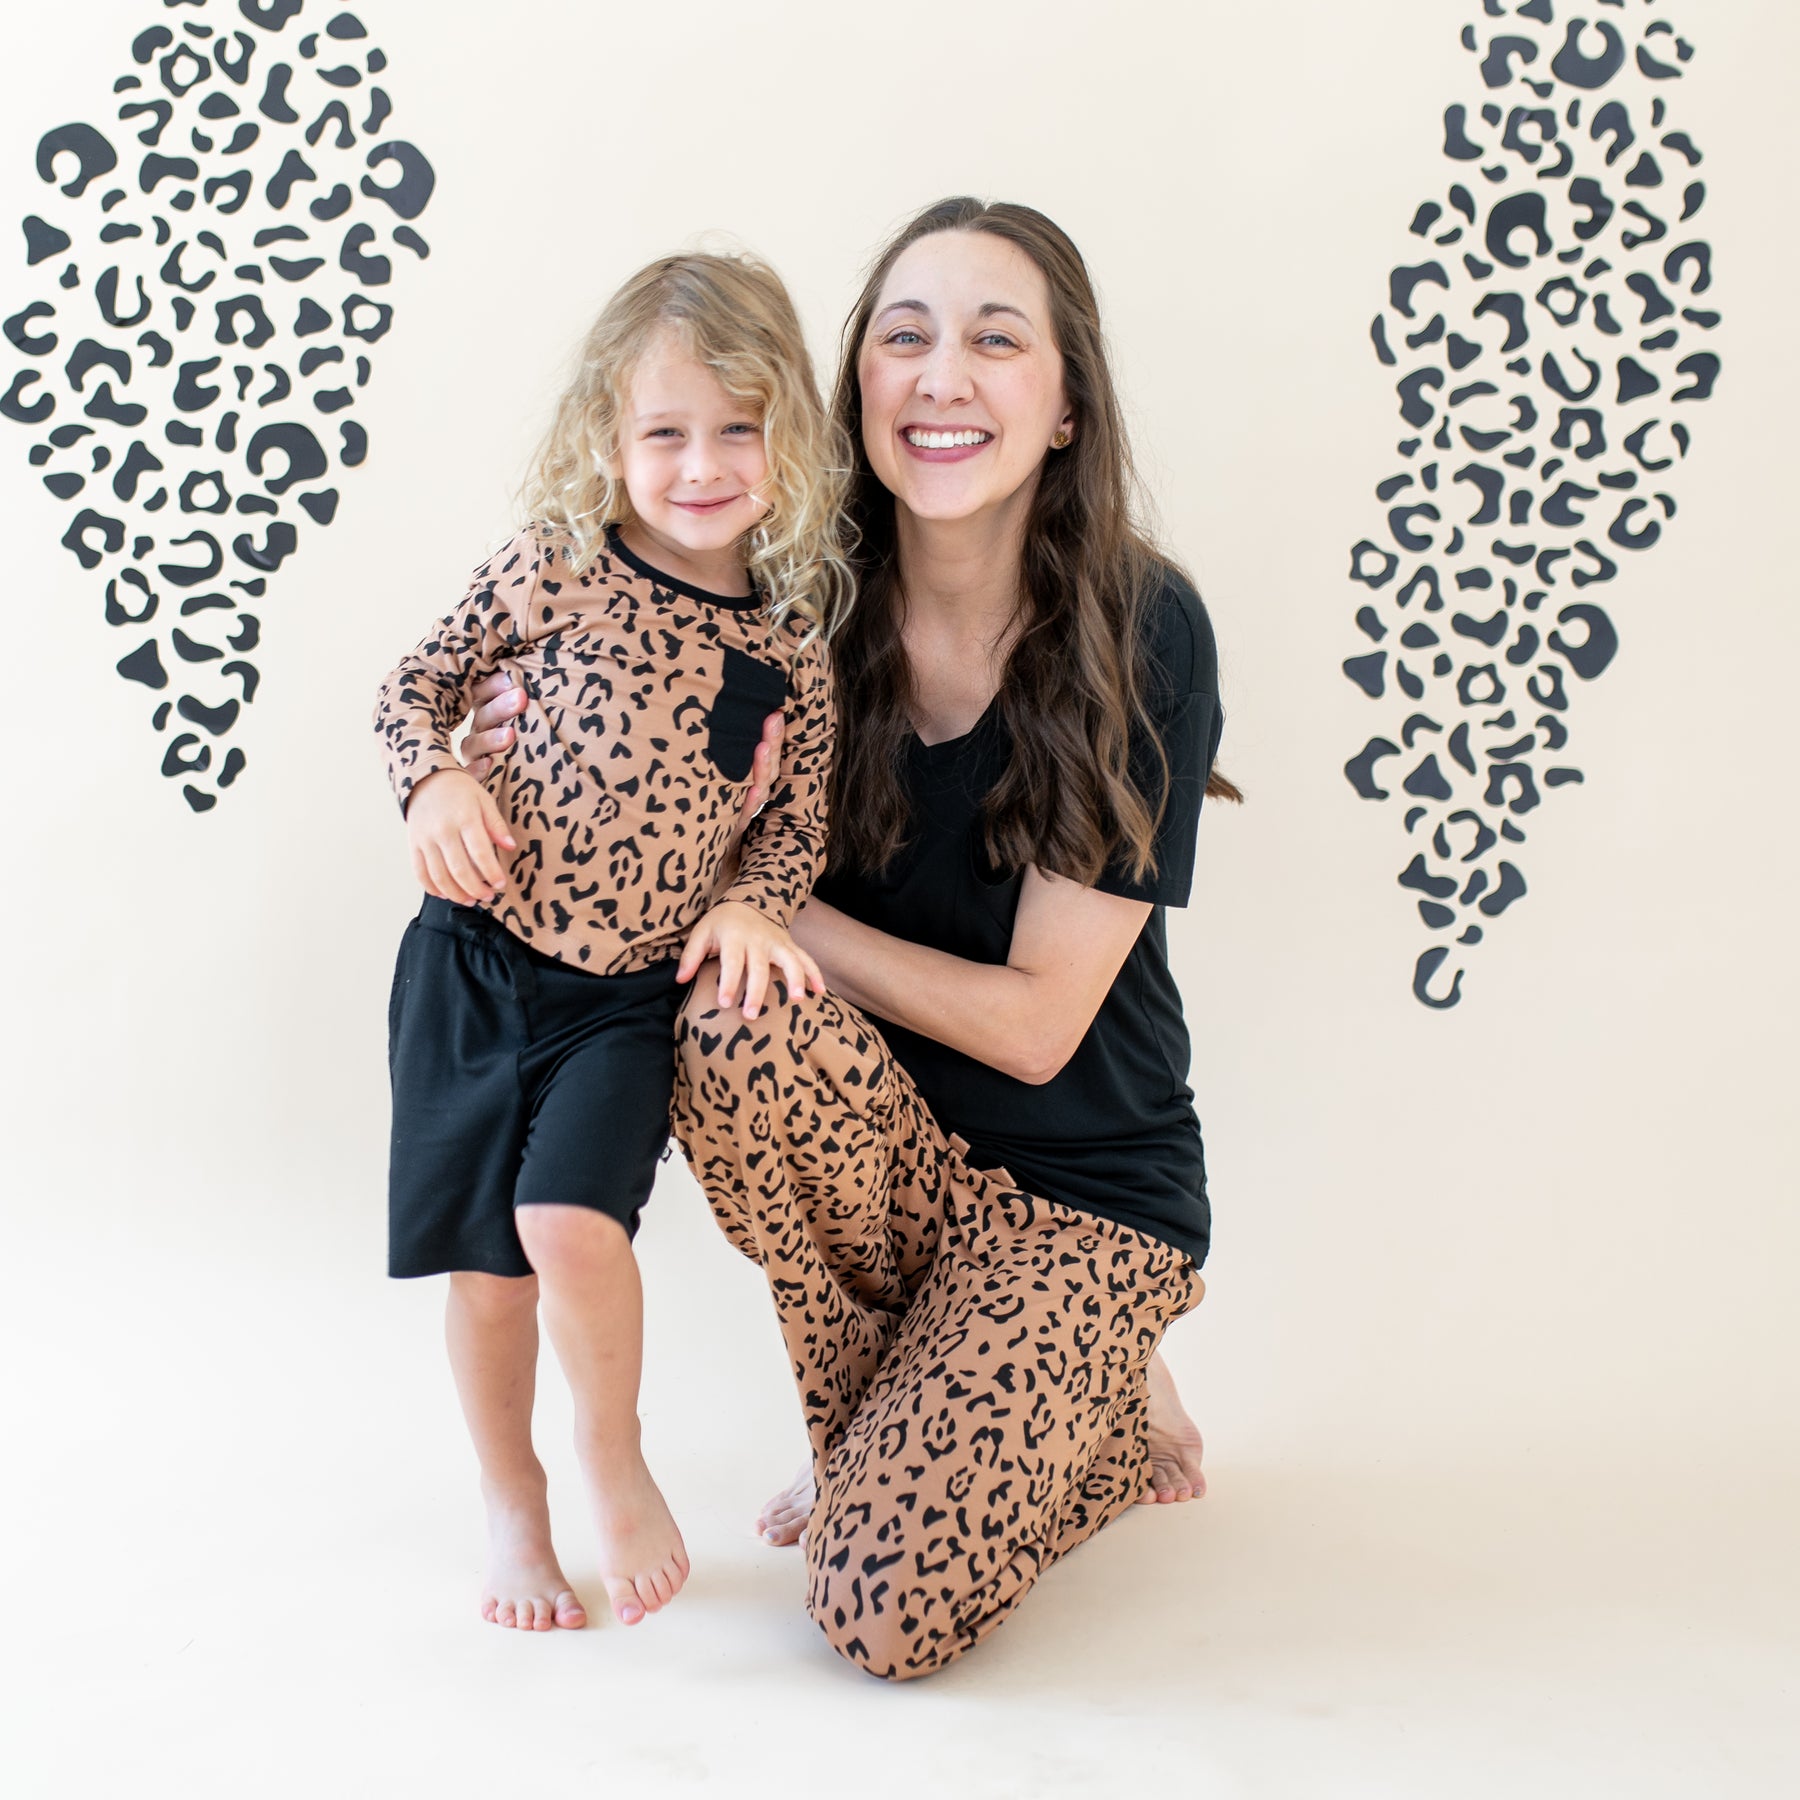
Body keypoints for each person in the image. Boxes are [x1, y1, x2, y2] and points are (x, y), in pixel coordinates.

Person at [464, 196, 1236, 1679]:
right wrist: (506, 733)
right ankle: (915, 1412)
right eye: (904, 337)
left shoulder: (1145, 628)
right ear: (856, 390)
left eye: (996, 341)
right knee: (724, 1009)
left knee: (877, 1610)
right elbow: (603, 705)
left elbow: (1032, 1025)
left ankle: (1093, 1374)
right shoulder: (794, 612)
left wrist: (764, 904)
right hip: (894, 1174)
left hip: (1087, 1195)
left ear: (1067, 405)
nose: (943, 376)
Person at [373, 252, 851, 1634]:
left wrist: (753, 904)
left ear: (790, 441)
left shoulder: (790, 645)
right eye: (665, 431)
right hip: (472, 960)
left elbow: (792, 830)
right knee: (489, 1268)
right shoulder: (556, 569)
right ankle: (511, 1494)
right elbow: (414, 684)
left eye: (739, 429)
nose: (701, 464)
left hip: (623, 999)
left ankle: (608, 1447)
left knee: (570, 1225)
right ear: (610, 438)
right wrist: (436, 779)